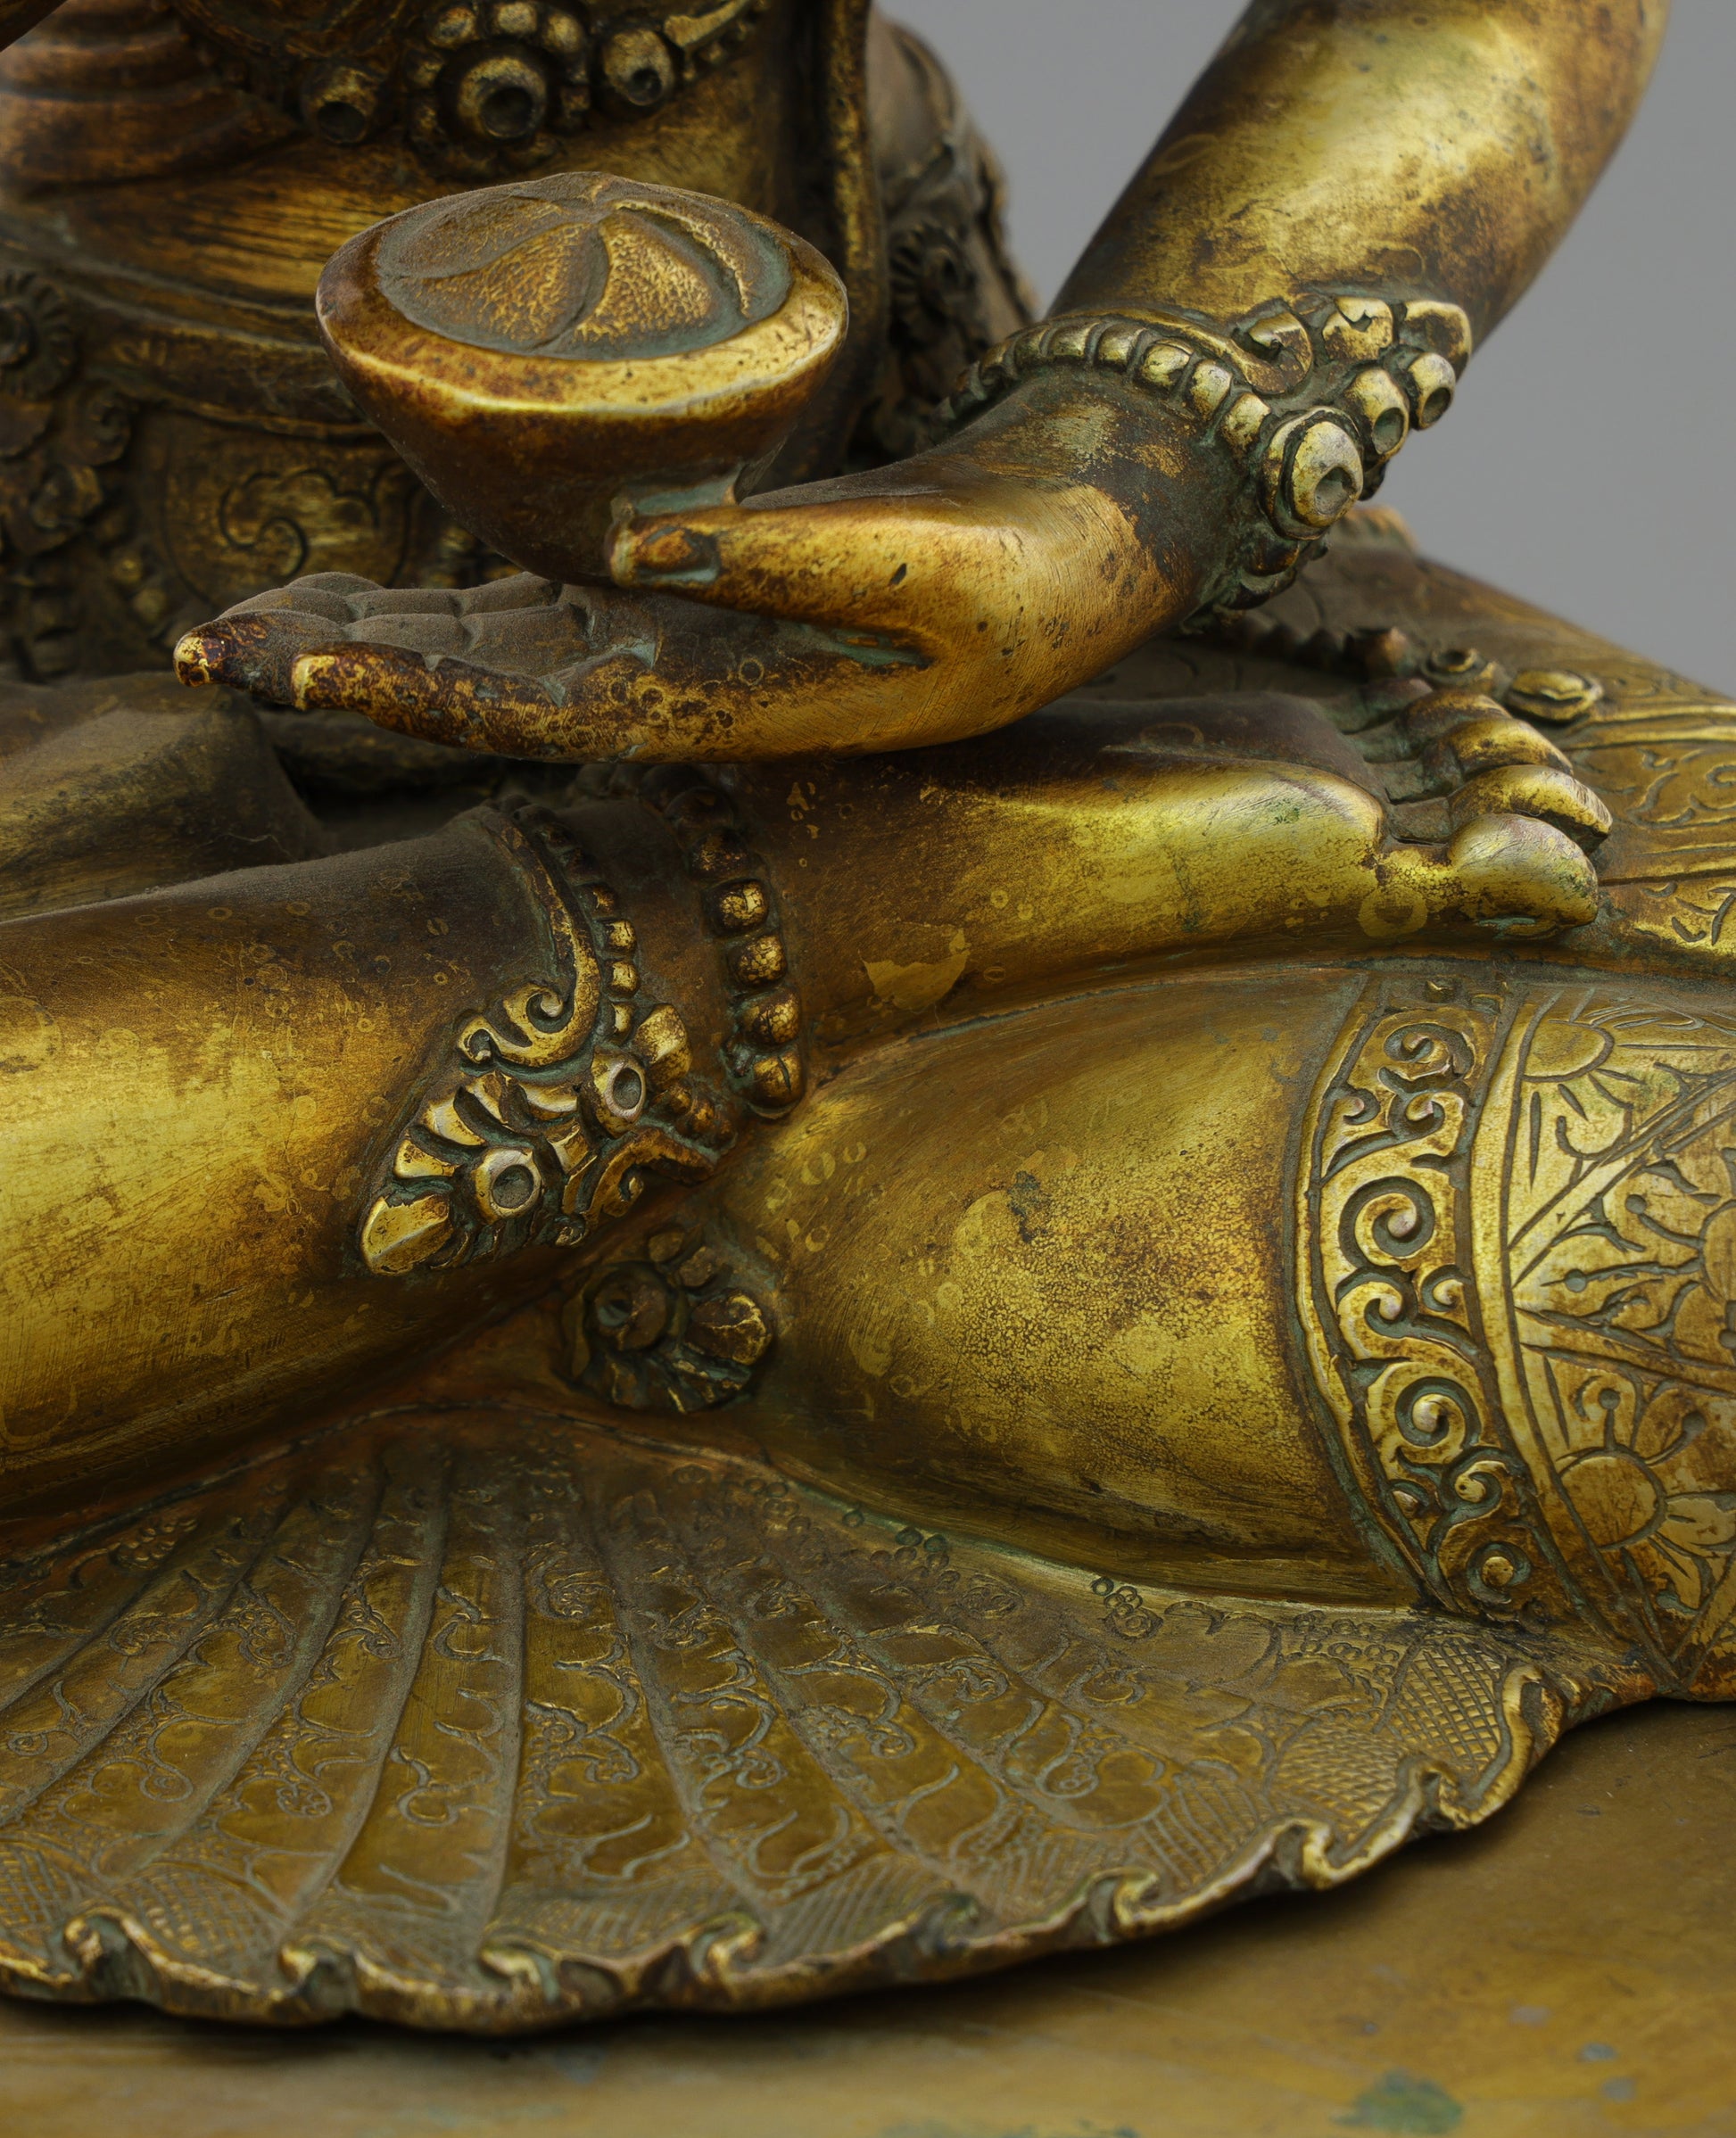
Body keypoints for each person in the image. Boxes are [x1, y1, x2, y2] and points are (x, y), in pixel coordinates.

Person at [1, 0, 1728, 2033]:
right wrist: (835, 897)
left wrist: (1117, 474)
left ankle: (806, 952)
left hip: (966, 616)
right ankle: (805, 947)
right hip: (115, 860)